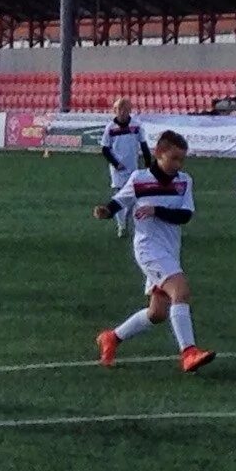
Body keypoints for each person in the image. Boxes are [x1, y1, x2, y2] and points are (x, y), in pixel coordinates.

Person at [92, 130, 216, 373]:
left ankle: (112, 337)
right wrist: (106, 211)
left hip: (170, 250)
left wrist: (156, 210)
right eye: (174, 158)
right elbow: (120, 201)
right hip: (148, 248)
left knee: (157, 313)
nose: (178, 164)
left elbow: (186, 215)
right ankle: (189, 352)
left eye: (182, 159)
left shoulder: (184, 181)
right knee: (180, 290)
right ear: (159, 154)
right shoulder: (139, 179)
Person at [100, 97, 152, 238]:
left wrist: (148, 164)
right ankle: (122, 226)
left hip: (133, 167)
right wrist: (116, 163)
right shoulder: (110, 128)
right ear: (115, 111)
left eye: (125, 110)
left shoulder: (136, 125)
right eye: (119, 110)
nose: (122, 113)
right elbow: (105, 149)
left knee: (133, 197)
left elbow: (143, 145)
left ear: (129, 110)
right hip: (118, 169)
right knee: (119, 196)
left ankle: (133, 223)